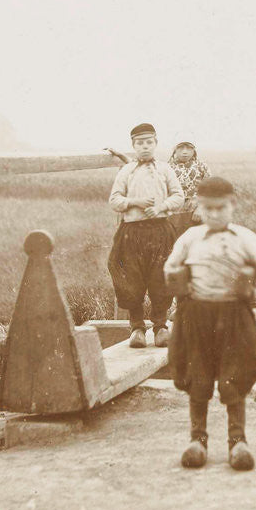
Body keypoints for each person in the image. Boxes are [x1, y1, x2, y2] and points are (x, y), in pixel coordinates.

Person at [165, 176, 256, 472]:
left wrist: (255, 291)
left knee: (234, 376)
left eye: (220, 207)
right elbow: (171, 267)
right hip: (197, 316)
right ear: (199, 208)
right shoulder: (189, 239)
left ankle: (237, 442)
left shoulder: (245, 238)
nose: (214, 214)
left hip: (233, 316)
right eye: (207, 208)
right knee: (197, 375)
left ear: (233, 205)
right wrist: (180, 286)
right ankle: (197, 441)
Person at [107, 123, 185, 349]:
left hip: (160, 232)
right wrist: (135, 202)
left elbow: (178, 196)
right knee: (131, 280)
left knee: (161, 278)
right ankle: (137, 328)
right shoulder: (127, 171)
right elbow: (114, 200)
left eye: (149, 142)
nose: (145, 147)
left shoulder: (165, 169)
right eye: (140, 143)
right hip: (132, 234)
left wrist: (161, 207)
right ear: (133, 145)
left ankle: (160, 327)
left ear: (156, 144)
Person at [167, 138, 212, 239]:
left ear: (194, 150)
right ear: (175, 149)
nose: (185, 151)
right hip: (173, 216)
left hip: (197, 215)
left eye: (189, 148)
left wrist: (201, 208)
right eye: (181, 148)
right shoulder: (167, 168)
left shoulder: (202, 167)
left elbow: (210, 190)